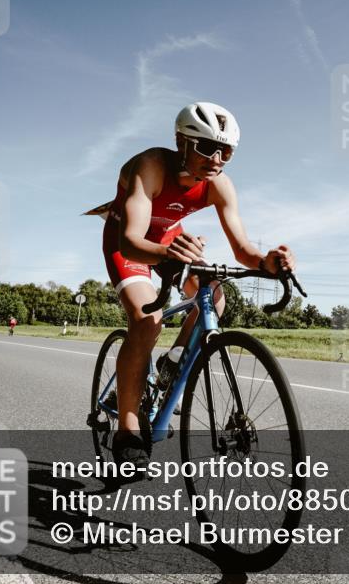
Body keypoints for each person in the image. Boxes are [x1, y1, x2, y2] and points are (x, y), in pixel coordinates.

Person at [86, 102, 296, 470]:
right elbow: (131, 239)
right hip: (130, 243)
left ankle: (174, 359)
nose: (216, 159)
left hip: (171, 241)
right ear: (180, 141)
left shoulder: (220, 185)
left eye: (226, 151)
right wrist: (164, 254)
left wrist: (267, 262)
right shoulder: (150, 166)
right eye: (206, 147)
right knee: (147, 321)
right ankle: (128, 432)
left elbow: (243, 248)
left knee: (213, 298)